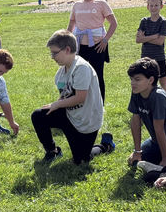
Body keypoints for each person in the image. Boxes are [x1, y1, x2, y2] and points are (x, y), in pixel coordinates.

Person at [32, 30, 115, 165]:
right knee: (38, 115)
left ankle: (106, 145)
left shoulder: (81, 68)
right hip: (71, 116)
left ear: (67, 49)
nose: (52, 56)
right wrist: (56, 104)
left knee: (81, 160)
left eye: (55, 52)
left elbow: (80, 98)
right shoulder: (61, 71)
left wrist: (57, 105)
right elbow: (65, 95)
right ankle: (53, 151)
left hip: (87, 120)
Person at [67, 0, 117, 100]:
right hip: (80, 46)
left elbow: (113, 23)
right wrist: (67, 42)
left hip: (97, 45)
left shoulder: (101, 4)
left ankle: (100, 104)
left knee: (97, 75)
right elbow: (71, 24)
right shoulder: (77, 5)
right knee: (79, 74)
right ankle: (80, 101)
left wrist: (105, 40)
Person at [136, 0, 166, 95]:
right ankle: (147, 99)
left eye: (156, 5)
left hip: (159, 56)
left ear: (161, 6)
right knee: (146, 80)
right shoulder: (144, 21)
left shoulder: (163, 21)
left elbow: (160, 42)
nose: (153, 8)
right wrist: (154, 36)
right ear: (147, 7)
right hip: (146, 57)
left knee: (162, 79)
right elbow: (138, 39)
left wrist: (145, 39)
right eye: (151, 5)